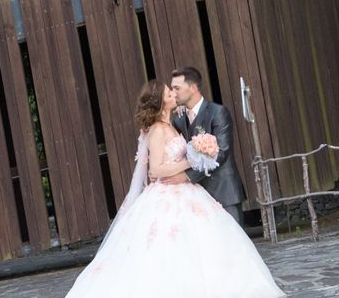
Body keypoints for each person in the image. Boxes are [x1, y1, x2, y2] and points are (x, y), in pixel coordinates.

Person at [64, 80, 286, 298]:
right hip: (166, 194)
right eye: (168, 93)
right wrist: (191, 163)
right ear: (160, 101)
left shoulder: (171, 125)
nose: (173, 94)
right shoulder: (158, 131)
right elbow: (156, 170)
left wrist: (199, 156)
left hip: (187, 190)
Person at [161, 66, 246, 226]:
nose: (173, 92)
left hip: (224, 191)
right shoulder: (179, 120)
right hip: (197, 198)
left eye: (177, 88)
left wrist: (186, 176)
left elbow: (221, 152)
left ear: (193, 88)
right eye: (172, 89)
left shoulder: (218, 112)